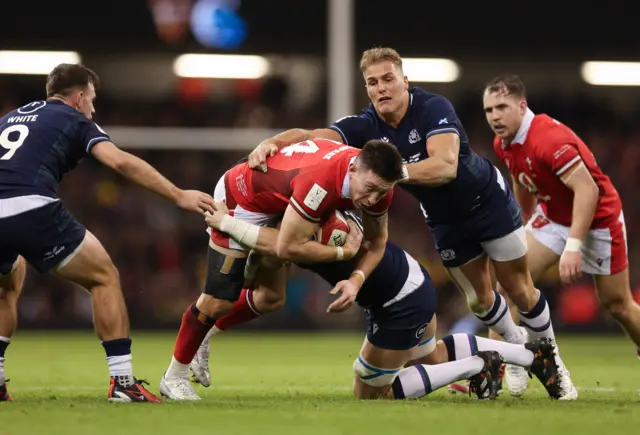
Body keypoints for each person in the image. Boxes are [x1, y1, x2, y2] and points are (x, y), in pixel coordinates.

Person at [246, 47, 576, 399]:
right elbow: (315, 136)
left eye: (388, 79)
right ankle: (520, 351)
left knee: (519, 289)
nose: (381, 88)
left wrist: (388, 174)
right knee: (479, 301)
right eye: (372, 83)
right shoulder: (366, 125)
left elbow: (445, 166)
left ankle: (552, 363)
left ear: (405, 81)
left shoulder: (432, 108)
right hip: (445, 220)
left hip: (487, 202)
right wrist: (273, 142)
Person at [0, 63, 215, 403]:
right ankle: (123, 383)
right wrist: (178, 195)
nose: (93, 108)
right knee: (103, 276)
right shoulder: (74, 118)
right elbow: (121, 163)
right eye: (92, 99)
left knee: (9, 282)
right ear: (80, 96)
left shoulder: (10, 118)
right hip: (30, 206)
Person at [191, 208, 563, 401]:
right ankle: (532, 356)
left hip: (398, 302)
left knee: (370, 392)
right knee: (430, 356)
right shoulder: (315, 211)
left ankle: (479, 365)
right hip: (408, 278)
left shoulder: (295, 232)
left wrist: (226, 221)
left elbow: (271, 249)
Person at [159, 138, 405, 400]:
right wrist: (341, 253)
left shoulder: (379, 183)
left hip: (280, 203)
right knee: (218, 301)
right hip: (240, 200)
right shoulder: (320, 181)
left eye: (381, 192)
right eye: (370, 189)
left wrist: (356, 280)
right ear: (354, 168)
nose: (373, 199)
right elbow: (286, 248)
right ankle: (174, 377)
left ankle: (203, 336)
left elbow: (377, 243)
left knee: (270, 298)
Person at [484, 74, 640, 360]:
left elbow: (588, 190)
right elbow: (521, 179)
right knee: (508, 285)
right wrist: (521, 225)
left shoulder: (548, 139)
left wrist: (573, 247)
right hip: (553, 216)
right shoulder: (502, 142)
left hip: (599, 219)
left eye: (502, 107)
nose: (495, 116)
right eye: (489, 110)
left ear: (522, 106)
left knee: (617, 304)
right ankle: (497, 366)